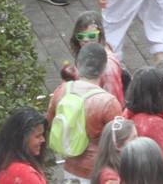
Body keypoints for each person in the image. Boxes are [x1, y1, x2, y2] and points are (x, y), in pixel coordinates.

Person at [46, 42, 124, 181]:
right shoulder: (108, 102)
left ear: (77, 66)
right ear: (104, 68)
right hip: (99, 172)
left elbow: (51, 122)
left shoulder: (63, 90)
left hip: (70, 167)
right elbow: (118, 142)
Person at [0, 106, 51, 184]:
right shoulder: (24, 174)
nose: (43, 140)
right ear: (22, 139)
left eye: (42, 135)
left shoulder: (6, 168)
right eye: (38, 136)